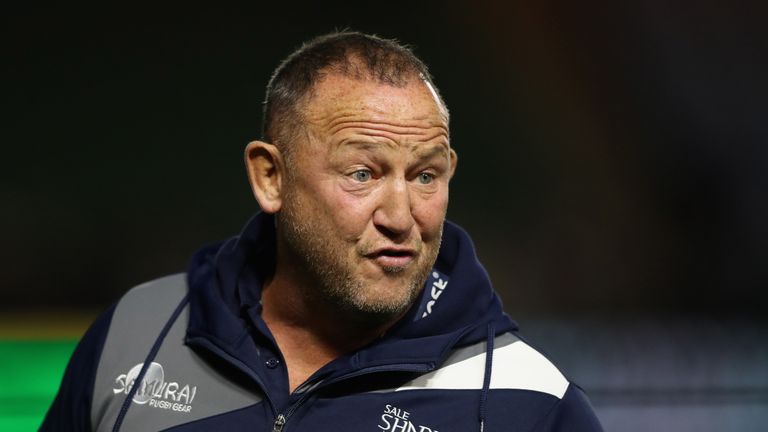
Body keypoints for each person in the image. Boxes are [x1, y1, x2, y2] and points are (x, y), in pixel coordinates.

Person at [42, 31, 603, 431]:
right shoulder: (135, 334)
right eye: (363, 173)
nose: (402, 215)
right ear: (271, 178)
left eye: (426, 175)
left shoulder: (529, 402)